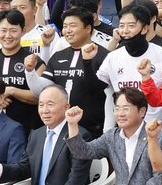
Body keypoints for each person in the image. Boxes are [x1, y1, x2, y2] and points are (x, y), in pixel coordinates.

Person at [95, 4, 162, 135]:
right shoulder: (112, 57)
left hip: (161, 132)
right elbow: (101, 89)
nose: (125, 31)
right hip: (126, 134)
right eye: (122, 26)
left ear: (145, 28)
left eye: (131, 26)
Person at [26, 9, 108, 139]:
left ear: (88, 28)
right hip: (60, 130)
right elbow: (41, 90)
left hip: (92, 130)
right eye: (65, 26)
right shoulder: (58, 56)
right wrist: (30, 71)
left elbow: (102, 91)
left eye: (73, 26)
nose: (67, 30)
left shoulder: (104, 55)